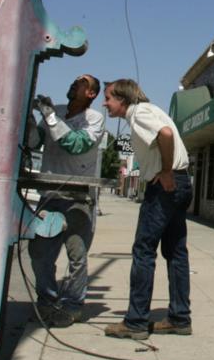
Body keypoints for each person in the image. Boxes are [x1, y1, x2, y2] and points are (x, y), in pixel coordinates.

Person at [102, 78, 192, 340]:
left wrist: (165, 171)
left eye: (108, 98)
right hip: (181, 182)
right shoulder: (149, 111)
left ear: (123, 99)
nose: (105, 103)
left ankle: (136, 322)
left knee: (143, 251)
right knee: (176, 252)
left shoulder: (139, 112)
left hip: (166, 185)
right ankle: (179, 318)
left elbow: (164, 134)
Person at [27, 74, 106, 328]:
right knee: (40, 252)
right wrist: (29, 117)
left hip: (78, 198)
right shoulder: (57, 111)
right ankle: (47, 301)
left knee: (76, 254)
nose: (74, 82)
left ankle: (72, 305)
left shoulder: (94, 120)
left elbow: (75, 144)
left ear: (91, 93)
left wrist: (50, 117)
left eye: (81, 82)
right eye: (73, 80)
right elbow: (34, 142)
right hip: (50, 195)